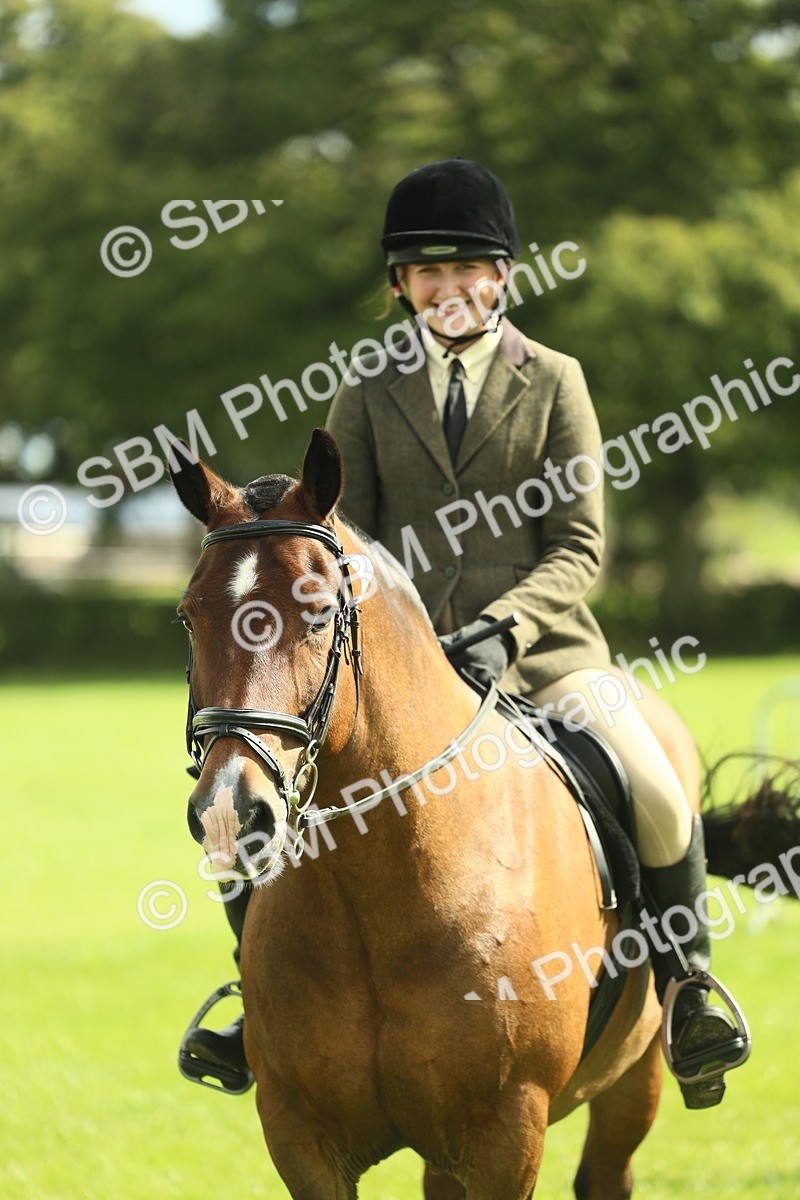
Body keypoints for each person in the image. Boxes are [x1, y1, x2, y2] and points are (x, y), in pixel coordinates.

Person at [181, 157, 746, 1108]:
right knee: (248, 797)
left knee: (652, 784)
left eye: (467, 269)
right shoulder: (364, 392)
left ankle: (689, 988)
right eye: (427, 272)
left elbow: (579, 546)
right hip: (399, 669)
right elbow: (335, 539)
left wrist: (504, 626)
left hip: (550, 653)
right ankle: (257, 998)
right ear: (400, 286)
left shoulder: (557, 382)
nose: (449, 288)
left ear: (504, 278)